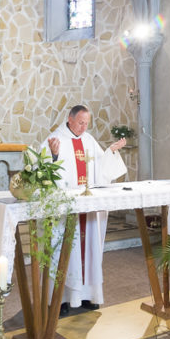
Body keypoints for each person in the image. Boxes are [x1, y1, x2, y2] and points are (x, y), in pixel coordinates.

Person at [45, 104, 127, 314]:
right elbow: (43, 170)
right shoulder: (55, 139)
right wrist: (53, 156)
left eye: (86, 123)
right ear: (70, 119)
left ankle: (89, 296)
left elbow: (101, 168)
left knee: (89, 250)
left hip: (88, 209)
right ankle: (62, 300)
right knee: (65, 252)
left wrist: (111, 152)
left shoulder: (89, 140)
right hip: (67, 210)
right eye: (80, 123)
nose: (83, 127)